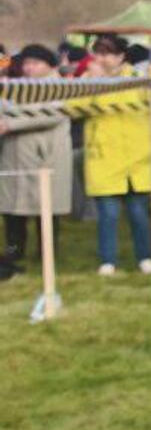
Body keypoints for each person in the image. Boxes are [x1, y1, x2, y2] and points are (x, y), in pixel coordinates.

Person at [80, 34, 151, 276]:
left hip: (138, 158)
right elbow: (74, 107)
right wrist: (93, 84)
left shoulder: (139, 78)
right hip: (104, 158)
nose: (102, 59)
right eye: (98, 53)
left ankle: (146, 257)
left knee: (139, 214)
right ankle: (108, 260)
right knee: (108, 214)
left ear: (121, 56)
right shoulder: (87, 79)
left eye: (108, 54)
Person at [0, 43, 72, 282]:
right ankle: (14, 250)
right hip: (14, 156)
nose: (29, 68)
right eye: (26, 63)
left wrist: (11, 124)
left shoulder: (59, 86)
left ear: (49, 65)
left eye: (35, 63)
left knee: (46, 210)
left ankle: (46, 252)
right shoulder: (19, 86)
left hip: (44, 157)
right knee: (13, 211)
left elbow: (52, 114)